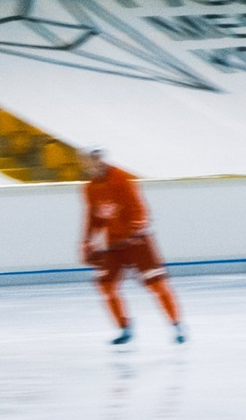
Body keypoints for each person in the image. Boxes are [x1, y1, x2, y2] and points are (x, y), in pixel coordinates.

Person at [77, 146, 184, 350]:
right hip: (113, 244)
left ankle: (176, 324)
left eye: (89, 160)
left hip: (137, 242)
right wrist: (87, 240)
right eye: (84, 161)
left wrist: (136, 229)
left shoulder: (121, 178)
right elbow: (93, 216)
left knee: (157, 285)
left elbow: (139, 207)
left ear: (98, 160)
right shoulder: (89, 187)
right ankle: (124, 327)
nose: (86, 164)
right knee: (105, 286)